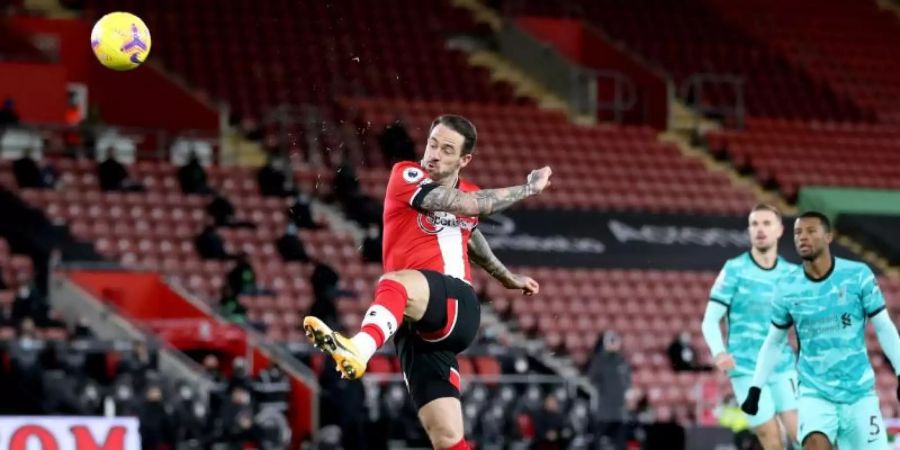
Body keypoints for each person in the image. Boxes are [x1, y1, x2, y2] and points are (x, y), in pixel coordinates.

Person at [303, 114, 552, 450]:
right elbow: (468, 216)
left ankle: (360, 348)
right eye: (433, 144)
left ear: (464, 160)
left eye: (447, 149)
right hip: (414, 324)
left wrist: (505, 275)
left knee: (395, 282)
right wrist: (508, 276)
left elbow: (471, 227)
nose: (434, 154)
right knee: (447, 438)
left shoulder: (469, 193)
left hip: (456, 303)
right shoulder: (407, 175)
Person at [741, 211, 900, 450]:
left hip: (859, 394)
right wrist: (755, 388)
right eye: (797, 232)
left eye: (810, 231)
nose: (802, 237)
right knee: (814, 443)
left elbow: (884, 326)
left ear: (828, 237)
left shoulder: (857, 275)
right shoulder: (787, 287)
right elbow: (774, 342)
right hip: (814, 394)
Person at [701, 204, 799, 450]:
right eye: (755, 224)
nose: (760, 229)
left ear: (779, 230)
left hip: (783, 365)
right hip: (746, 368)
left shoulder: (792, 274)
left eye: (766, 223)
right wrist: (719, 352)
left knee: (800, 431)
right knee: (770, 435)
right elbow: (710, 320)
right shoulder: (734, 270)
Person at [587, 330, 630, 450]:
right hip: (603, 409)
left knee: (619, 442)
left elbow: (627, 382)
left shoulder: (622, 361)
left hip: (618, 410)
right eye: (611, 342)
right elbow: (592, 380)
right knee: (598, 440)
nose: (613, 345)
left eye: (615, 342)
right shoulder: (599, 360)